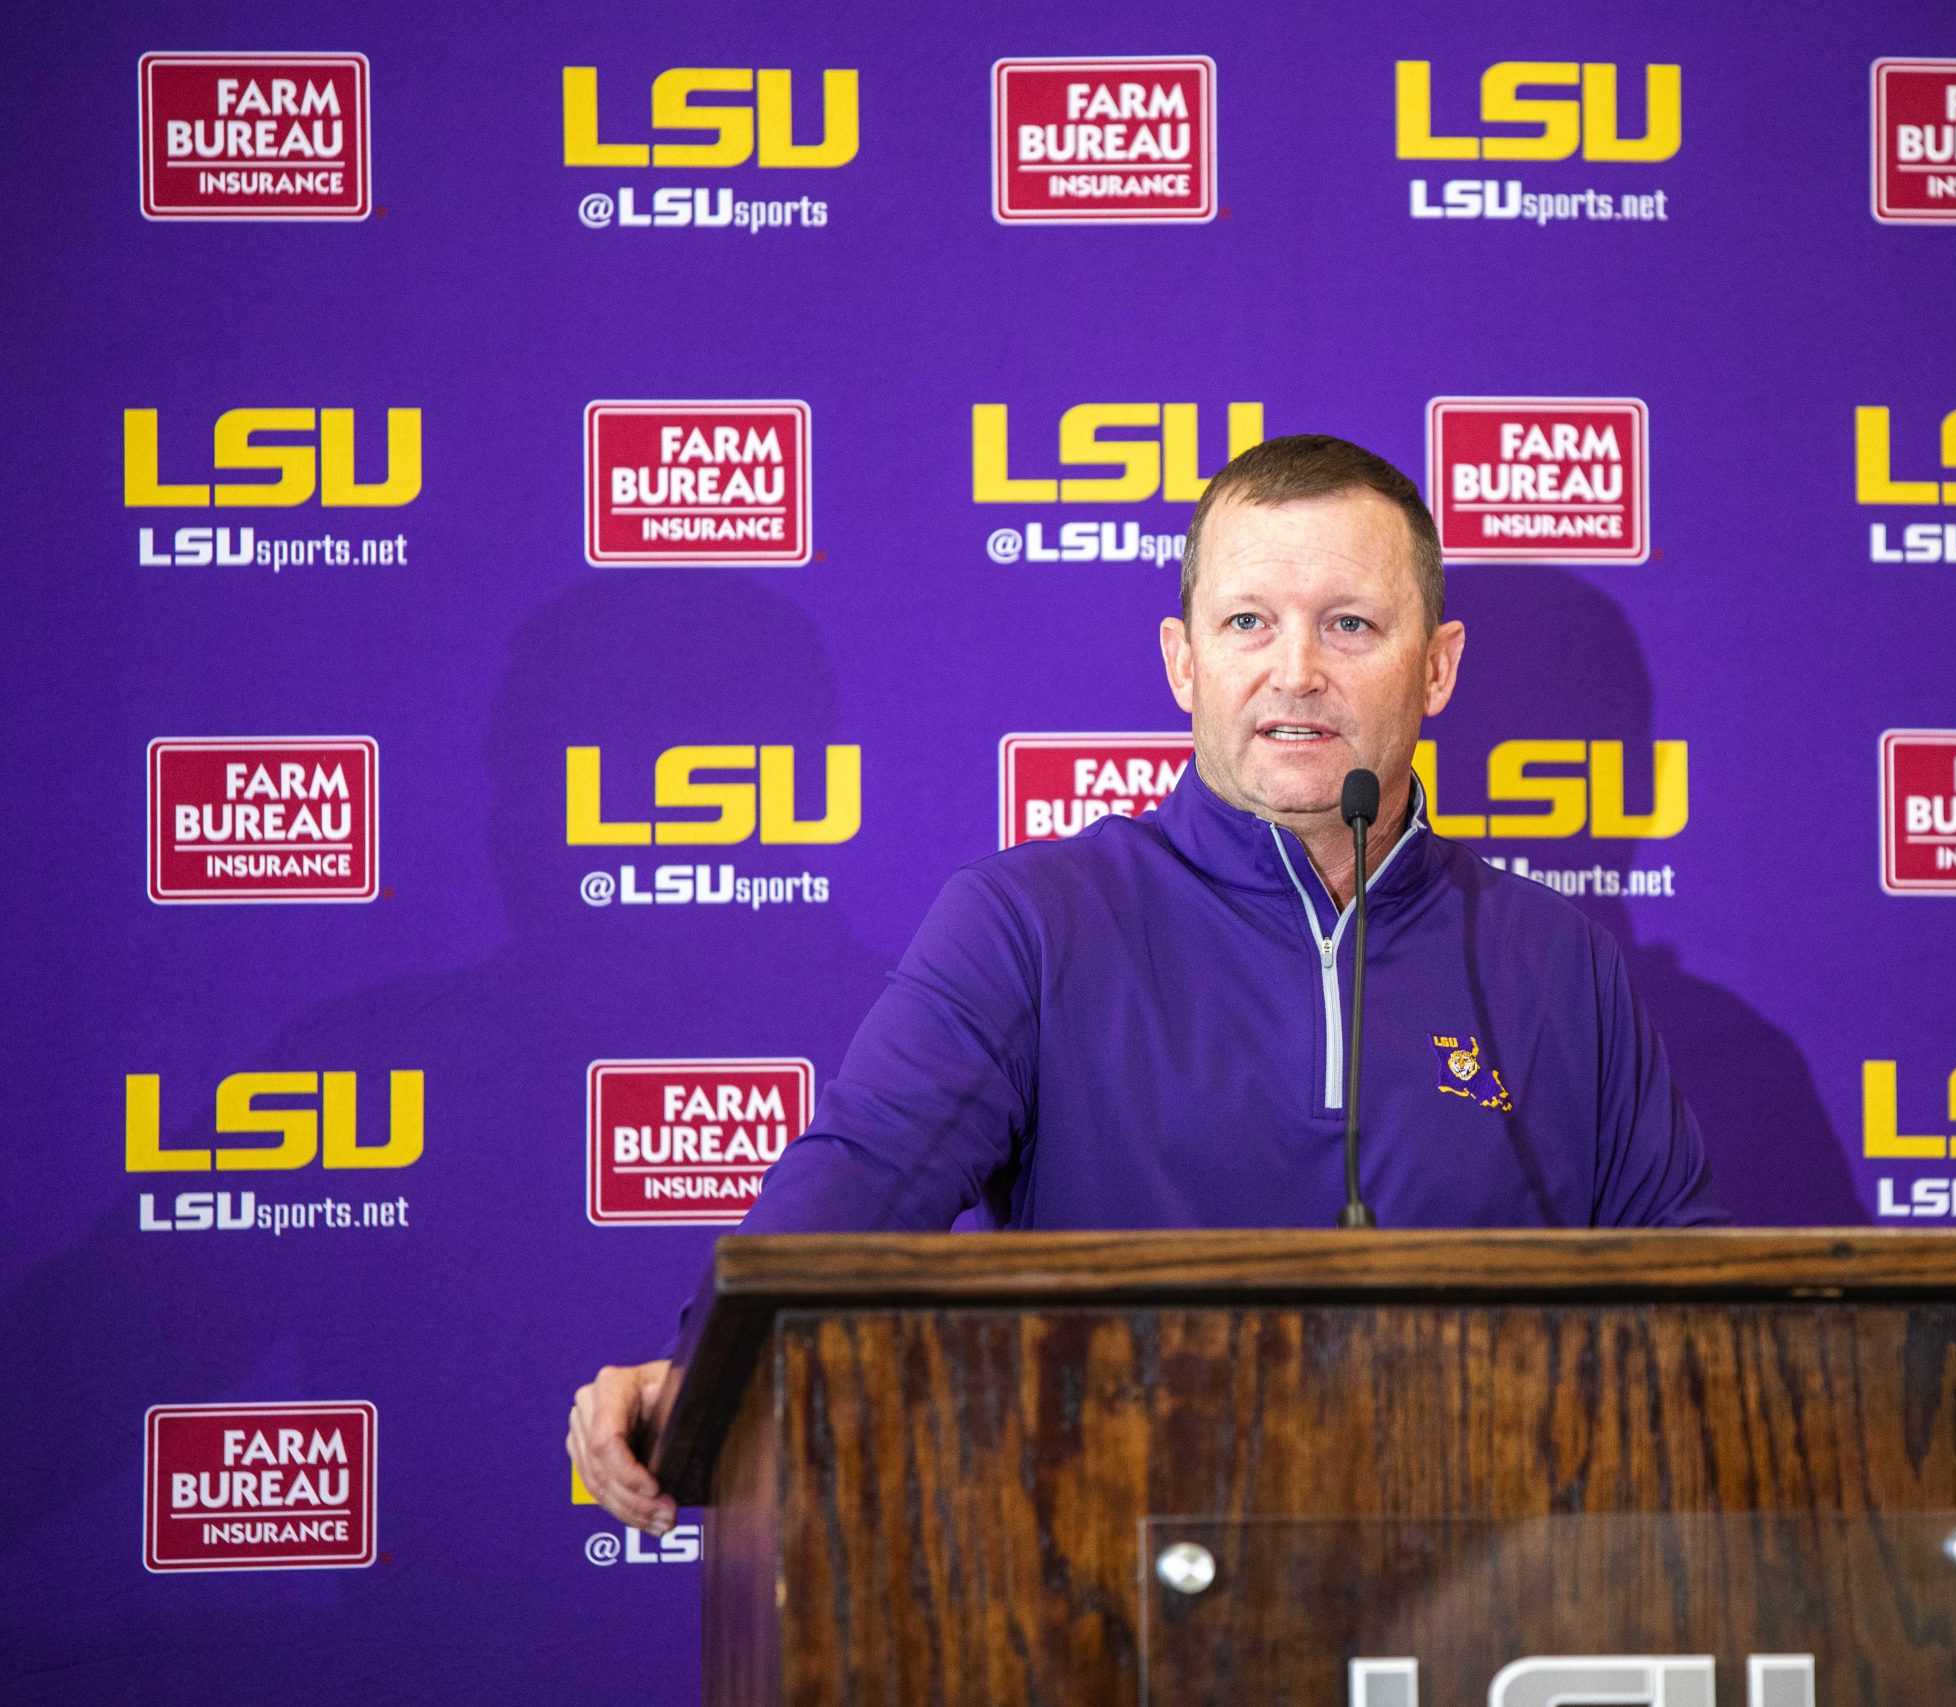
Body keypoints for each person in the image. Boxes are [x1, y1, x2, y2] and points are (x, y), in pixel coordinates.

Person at [568, 434, 1715, 1533]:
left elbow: (1695, 1313)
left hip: (1484, 1587)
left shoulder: (1557, 961)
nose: (1296, 670)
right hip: (1110, 1579)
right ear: (1184, 661)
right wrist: (700, 1376)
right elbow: (863, 1176)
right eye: (1248, 621)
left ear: (1439, 667)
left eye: (1351, 624)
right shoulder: (1031, 922)